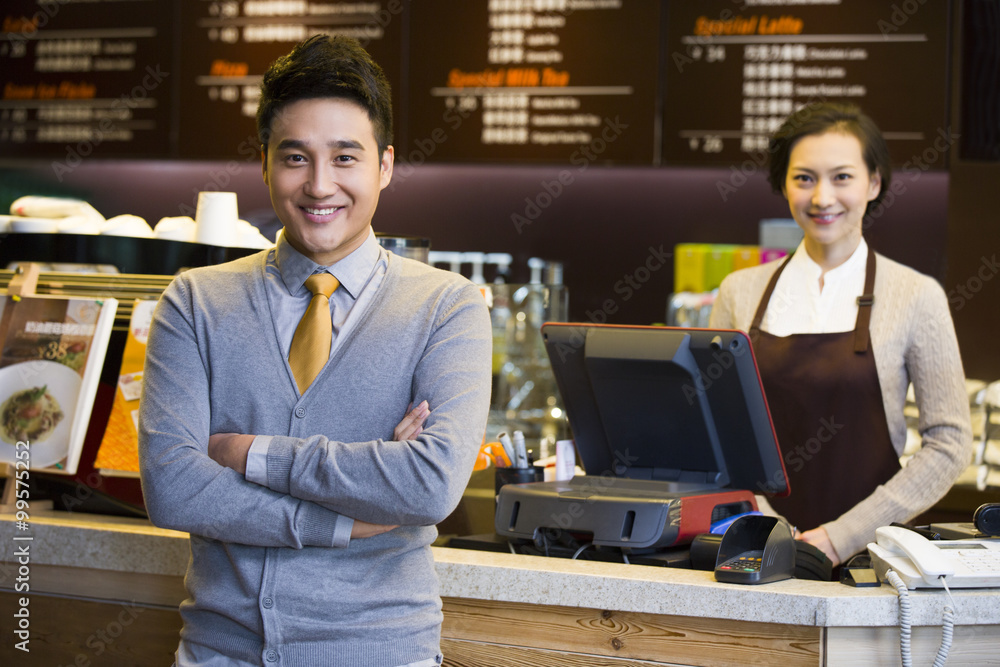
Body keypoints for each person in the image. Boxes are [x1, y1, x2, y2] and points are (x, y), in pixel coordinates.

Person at [138, 35, 492, 666]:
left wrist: (248, 453)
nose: (320, 185)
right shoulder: (196, 301)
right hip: (221, 654)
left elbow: (430, 487)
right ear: (265, 163)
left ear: (385, 165)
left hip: (381, 653)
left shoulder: (448, 307)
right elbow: (173, 488)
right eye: (295, 157)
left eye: (346, 158)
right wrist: (347, 519)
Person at [710, 102, 971, 567]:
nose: (822, 197)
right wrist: (767, 527)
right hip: (753, 549)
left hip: (871, 557)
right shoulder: (739, 293)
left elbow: (949, 444)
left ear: (874, 182)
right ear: (783, 184)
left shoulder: (916, 296)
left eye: (842, 177)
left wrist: (839, 537)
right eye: (804, 177)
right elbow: (718, 431)